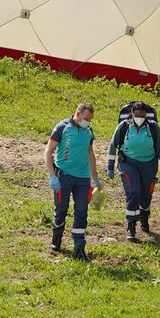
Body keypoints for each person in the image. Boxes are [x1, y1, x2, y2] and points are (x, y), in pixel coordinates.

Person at [44, 102, 100, 260]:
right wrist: (52, 176)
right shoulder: (62, 127)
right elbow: (48, 152)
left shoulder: (88, 131)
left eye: (90, 119)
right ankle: (56, 239)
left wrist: (95, 178)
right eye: (86, 118)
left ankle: (79, 247)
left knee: (82, 211)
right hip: (64, 175)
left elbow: (90, 153)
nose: (88, 122)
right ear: (78, 114)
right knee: (61, 209)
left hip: (82, 178)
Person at [107, 100, 160, 242]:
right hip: (128, 164)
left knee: (145, 195)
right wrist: (110, 167)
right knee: (133, 192)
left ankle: (144, 217)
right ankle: (131, 227)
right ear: (132, 114)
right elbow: (113, 146)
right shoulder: (123, 127)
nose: (139, 117)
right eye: (137, 114)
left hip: (149, 165)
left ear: (146, 115)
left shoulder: (153, 128)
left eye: (142, 114)